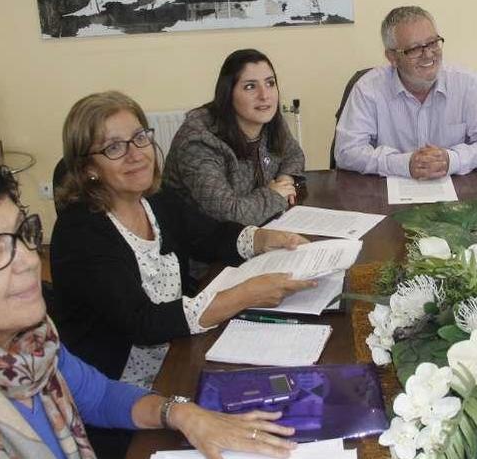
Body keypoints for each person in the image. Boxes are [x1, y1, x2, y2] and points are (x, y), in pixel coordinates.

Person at [0, 158, 297, 459]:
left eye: (22, 235)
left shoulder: (33, 343)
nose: (30, 260)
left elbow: (98, 396)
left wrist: (182, 413)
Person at [51, 91, 315, 454]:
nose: (135, 154)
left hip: (179, 357)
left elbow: (209, 235)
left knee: (287, 403)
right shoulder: (80, 232)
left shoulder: (155, 200)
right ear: (88, 167)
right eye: (114, 147)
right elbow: (143, 322)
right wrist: (242, 296)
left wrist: (263, 239)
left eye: (140, 138)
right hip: (124, 403)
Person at [334, 5, 477, 179]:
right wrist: (403, 164)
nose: (429, 54)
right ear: (392, 57)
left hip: (457, 198)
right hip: (385, 198)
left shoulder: (469, 84)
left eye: (432, 43)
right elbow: (346, 152)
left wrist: (450, 160)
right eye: (415, 48)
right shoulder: (368, 89)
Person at [163, 49, 305, 226]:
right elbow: (229, 214)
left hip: (255, 230)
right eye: (250, 86)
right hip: (199, 243)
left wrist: (285, 180)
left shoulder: (268, 119)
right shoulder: (199, 139)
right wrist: (274, 195)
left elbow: (294, 154)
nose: (264, 95)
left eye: (270, 83)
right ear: (228, 93)